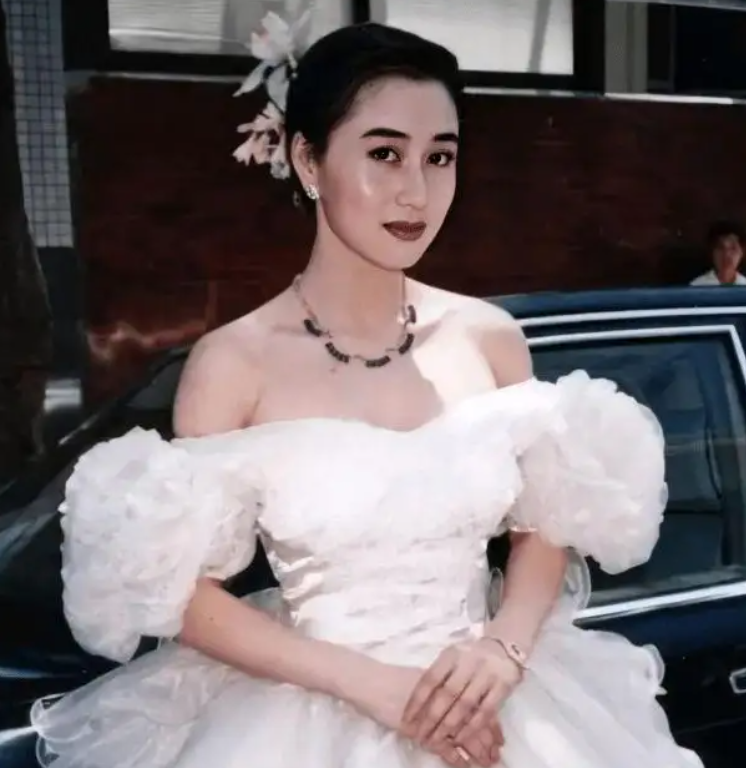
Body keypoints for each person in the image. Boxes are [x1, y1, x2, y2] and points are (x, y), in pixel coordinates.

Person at [31, 23, 702, 768]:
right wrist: (373, 687)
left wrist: (504, 648)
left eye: (439, 157)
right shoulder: (234, 363)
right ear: (307, 160)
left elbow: (548, 518)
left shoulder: (489, 338)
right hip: (310, 721)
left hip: (500, 705)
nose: (416, 191)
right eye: (384, 154)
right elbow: (182, 592)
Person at [690, 220, 746, 286]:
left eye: (733, 248)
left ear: (742, 252)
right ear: (712, 252)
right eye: (720, 248)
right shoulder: (696, 286)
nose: (726, 254)